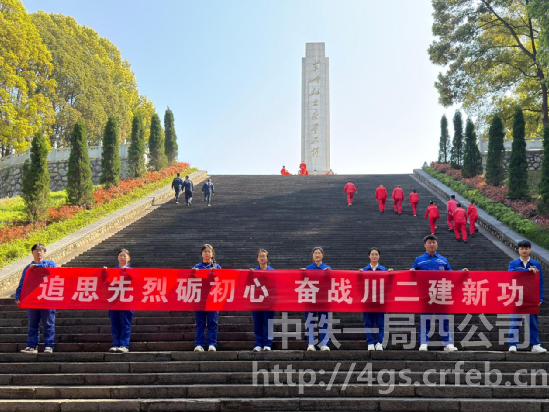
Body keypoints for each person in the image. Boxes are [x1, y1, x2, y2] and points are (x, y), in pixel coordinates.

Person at [410, 235, 459, 352]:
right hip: (425, 295)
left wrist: (462, 273)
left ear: (437, 244)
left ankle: (447, 343)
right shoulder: (419, 260)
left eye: (434, 242)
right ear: (425, 245)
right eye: (429, 242)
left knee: (443, 319)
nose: (432, 244)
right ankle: (423, 343)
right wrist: (411, 272)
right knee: (425, 319)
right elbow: (412, 275)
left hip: (441, 293)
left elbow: (451, 274)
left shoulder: (443, 260)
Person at [15, 244, 57, 354]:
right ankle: (32, 346)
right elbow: (23, 282)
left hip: (47, 298)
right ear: (32, 252)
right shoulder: (28, 268)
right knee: (33, 323)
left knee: (48, 323)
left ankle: (49, 346)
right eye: (36, 250)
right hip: (32, 299)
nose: (39, 252)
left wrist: (37, 267)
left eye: (41, 250)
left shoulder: (50, 264)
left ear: (44, 253)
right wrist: (18, 295)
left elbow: (52, 271)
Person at [508, 240, 546, 353]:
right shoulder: (513, 264)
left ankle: (535, 345)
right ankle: (512, 344)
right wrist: (526, 271)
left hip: (531, 297)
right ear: (518, 250)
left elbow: (540, 282)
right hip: (517, 297)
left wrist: (540, 298)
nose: (524, 250)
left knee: (532, 322)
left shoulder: (536, 264)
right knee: (515, 321)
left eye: (526, 248)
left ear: (530, 249)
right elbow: (511, 275)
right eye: (522, 248)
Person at [359, 248, 392, 351]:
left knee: (380, 323)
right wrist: (358, 275)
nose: (374, 256)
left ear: (379, 256)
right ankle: (370, 342)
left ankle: (379, 342)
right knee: (368, 323)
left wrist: (391, 275)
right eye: (372, 254)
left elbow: (389, 284)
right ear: (369, 256)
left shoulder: (384, 270)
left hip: (380, 301)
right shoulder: (364, 270)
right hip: (367, 301)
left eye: (376, 254)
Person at [193, 244, 221, 352]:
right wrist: (192, 273)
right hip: (200, 299)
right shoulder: (196, 267)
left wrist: (217, 273)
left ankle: (212, 343)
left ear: (212, 254)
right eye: (205, 251)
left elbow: (223, 281)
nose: (207, 253)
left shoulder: (217, 267)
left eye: (209, 251)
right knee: (200, 322)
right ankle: (199, 344)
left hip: (213, 298)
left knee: (212, 322)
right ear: (201, 254)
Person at [301, 247, 331, 351]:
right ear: (312, 256)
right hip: (310, 298)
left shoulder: (327, 268)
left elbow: (332, 282)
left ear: (322, 255)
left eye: (319, 253)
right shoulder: (308, 268)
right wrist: (301, 274)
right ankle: (311, 343)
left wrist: (329, 274)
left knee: (324, 321)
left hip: (323, 299)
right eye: (315, 253)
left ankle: (324, 344)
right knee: (310, 321)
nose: (317, 255)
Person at [107, 249, 134, 353]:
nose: (122, 257)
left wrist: (130, 273)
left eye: (124, 256)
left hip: (127, 301)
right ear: (117, 258)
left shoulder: (133, 271)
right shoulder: (112, 271)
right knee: (115, 323)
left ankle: (124, 345)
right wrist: (104, 273)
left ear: (129, 258)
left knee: (125, 323)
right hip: (114, 300)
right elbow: (106, 283)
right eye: (120, 255)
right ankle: (115, 343)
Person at [250, 249, 275, 351]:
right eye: (260, 256)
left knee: (268, 322)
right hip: (256, 301)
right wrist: (249, 275)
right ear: (257, 259)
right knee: (258, 322)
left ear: (267, 258)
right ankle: (258, 343)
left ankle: (267, 343)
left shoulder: (273, 272)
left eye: (264, 256)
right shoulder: (253, 272)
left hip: (269, 301)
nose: (262, 258)